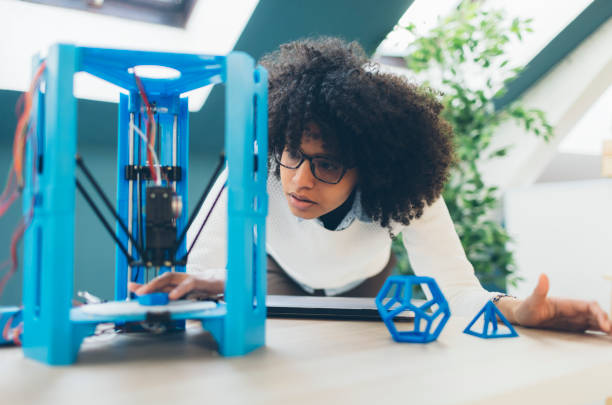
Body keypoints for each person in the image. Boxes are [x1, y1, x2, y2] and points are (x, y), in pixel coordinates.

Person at [130, 37, 611, 334]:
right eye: (294, 154)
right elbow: (206, 267)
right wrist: (203, 286)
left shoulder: (404, 192)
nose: (298, 179)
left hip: (368, 284)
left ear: (373, 171)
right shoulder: (258, 166)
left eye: (328, 164)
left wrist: (517, 311)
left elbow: (457, 292)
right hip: (278, 278)